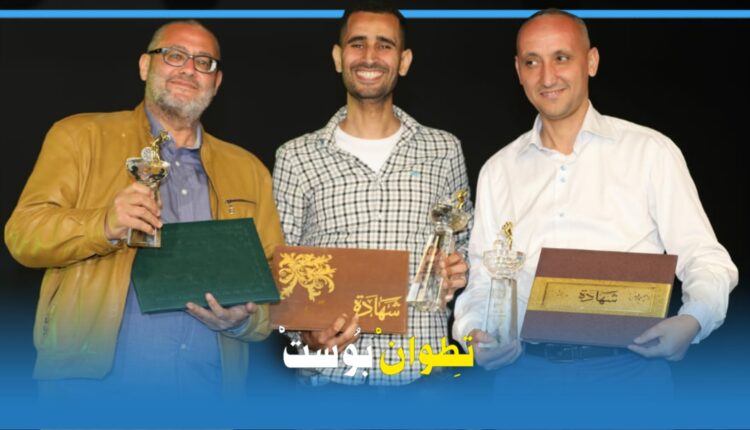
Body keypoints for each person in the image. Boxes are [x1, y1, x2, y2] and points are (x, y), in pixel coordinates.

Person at [453, 9, 738, 397]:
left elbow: (706, 258)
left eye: (561, 58)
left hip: (631, 376)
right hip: (524, 379)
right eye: (532, 62)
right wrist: (473, 333)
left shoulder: (650, 152)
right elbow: (483, 280)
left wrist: (693, 320)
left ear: (591, 62)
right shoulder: (498, 170)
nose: (547, 77)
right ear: (518, 71)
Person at [4, 20, 284, 399]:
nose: (189, 69)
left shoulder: (248, 169)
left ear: (216, 82)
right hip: (92, 395)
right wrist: (103, 225)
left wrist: (244, 320)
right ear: (144, 66)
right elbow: (23, 235)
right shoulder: (80, 136)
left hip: (209, 397)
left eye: (204, 62)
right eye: (174, 55)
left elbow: (276, 277)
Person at [273, 1, 472, 385]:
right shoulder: (296, 157)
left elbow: (462, 244)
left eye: (384, 45)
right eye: (357, 43)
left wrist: (458, 269)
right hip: (333, 382)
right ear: (338, 57)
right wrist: (305, 336)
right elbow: (278, 272)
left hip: (423, 377)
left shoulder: (444, 150)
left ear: (404, 61)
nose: (369, 56)